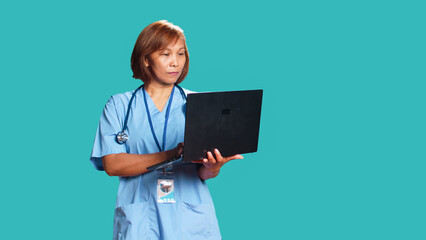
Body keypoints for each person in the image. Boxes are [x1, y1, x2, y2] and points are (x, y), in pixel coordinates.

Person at [90, 20, 243, 240]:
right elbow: (112, 165)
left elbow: (203, 172)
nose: (175, 63)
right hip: (141, 217)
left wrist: (214, 167)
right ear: (145, 59)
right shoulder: (119, 105)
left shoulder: (199, 104)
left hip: (190, 218)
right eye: (166, 54)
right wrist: (172, 154)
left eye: (181, 54)